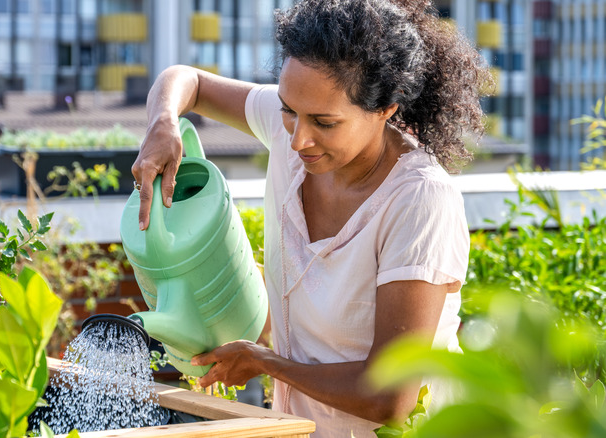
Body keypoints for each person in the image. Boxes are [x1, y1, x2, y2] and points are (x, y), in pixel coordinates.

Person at [131, 0, 487, 436]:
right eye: (288, 110)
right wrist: (163, 122)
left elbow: (391, 396)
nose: (299, 139)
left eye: (324, 122)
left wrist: (266, 363)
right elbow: (186, 80)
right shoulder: (301, 128)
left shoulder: (420, 201)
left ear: (386, 110)